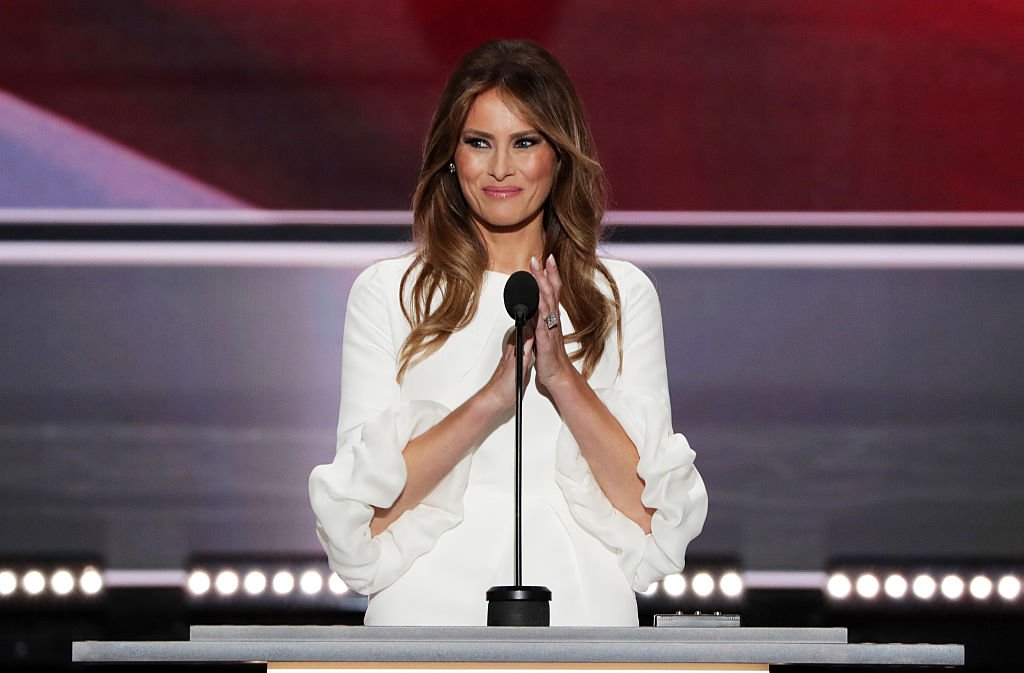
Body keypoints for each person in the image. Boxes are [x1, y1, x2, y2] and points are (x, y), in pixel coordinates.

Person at [309, 39, 707, 626]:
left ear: (559, 156)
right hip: (425, 620)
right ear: (452, 155)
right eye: (479, 143)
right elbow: (364, 520)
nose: (501, 168)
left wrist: (562, 380)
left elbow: (652, 519)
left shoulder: (617, 296)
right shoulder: (391, 294)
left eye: (525, 142)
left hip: (583, 612)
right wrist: (493, 398)